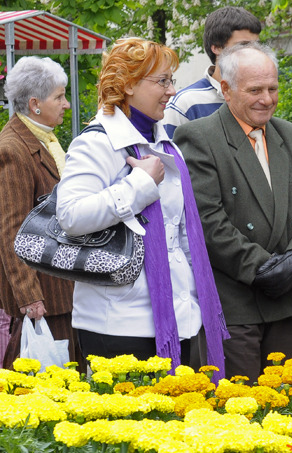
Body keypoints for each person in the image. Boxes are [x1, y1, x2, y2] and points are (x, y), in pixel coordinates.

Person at [56, 38, 229, 379]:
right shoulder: (96, 142)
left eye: (171, 80)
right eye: (162, 81)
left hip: (178, 319)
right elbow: (71, 216)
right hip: (118, 323)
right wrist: (140, 185)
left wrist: (197, 301)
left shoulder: (163, 143)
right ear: (128, 85)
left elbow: (180, 234)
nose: (171, 91)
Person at [174, 42, 292, 382]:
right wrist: (263, 269)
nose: (267, 99)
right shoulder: (199, 137)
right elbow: (207, 221)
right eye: (255, 90)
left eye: (273, 88)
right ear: (226, 89)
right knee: (239, 405)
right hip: (234, 303)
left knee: (286, 403)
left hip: (285, 300)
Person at [0, 56, 81, 369]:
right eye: (59, 97)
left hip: (59, 291)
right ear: (35, 104)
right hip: (44, 299)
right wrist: (29, 296)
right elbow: (11, 230)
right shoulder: (13, 149)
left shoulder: (42, 138)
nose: (66, 104)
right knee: (39, 385)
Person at [162, 6, 262, 138]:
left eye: (256, 46)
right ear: (216, 47)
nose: (253, 53)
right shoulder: (185, 104)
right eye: (243, 45)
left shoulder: (263, 98)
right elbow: (169, 151)